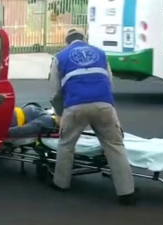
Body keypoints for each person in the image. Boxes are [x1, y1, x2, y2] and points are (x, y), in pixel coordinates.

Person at [48, 28, 137, 205]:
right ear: (84, 38)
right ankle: (126, 192)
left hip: (75, 105)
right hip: (103, 104)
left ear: (67, 41)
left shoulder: (60, 57)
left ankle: (61, 184)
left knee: (66, 144)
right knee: (115, 145)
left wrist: (59, 114)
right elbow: (109, 82)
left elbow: (55, 92)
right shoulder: (101, 54)